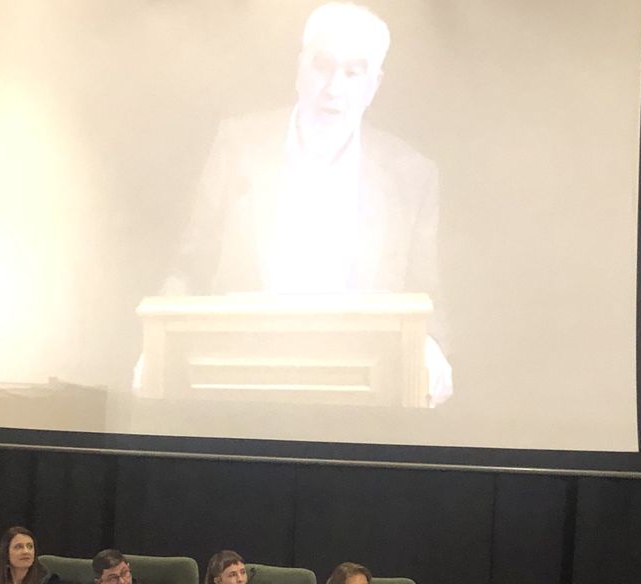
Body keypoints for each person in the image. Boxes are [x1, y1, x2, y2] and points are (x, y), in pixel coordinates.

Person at [161, 2, 452, 405]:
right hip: (241, 383)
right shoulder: (238, 146)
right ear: (300, 68)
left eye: (353, 73)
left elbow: (424, 296)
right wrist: (157, 347)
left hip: (359, 390)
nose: (333, 88)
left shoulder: (411, 174)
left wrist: (431, 348)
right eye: (322, 66)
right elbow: (190, 269)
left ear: (374, 85)